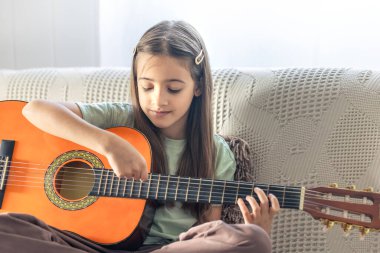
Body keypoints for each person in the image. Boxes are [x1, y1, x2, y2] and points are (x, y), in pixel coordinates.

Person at [0, 20, 280, 253]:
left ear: (197, 87)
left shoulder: (216, 152)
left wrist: (254, 229)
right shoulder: (122, 119)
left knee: (253, 241)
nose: (158, 100)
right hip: (80, 244)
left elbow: (208, 231)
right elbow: (34, 111)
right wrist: (109, 144)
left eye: (173, 89)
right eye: (147, 87)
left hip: (166, 249)